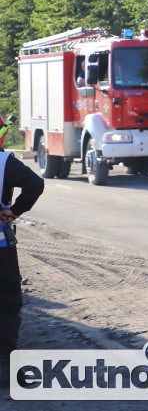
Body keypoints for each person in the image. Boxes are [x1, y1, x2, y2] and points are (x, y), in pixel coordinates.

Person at [0, 135, 45, 383]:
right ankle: (6, 367)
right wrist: (15, 210)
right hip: (0, 248)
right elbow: (34, 184)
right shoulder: (4, 161)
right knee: (7, 303)